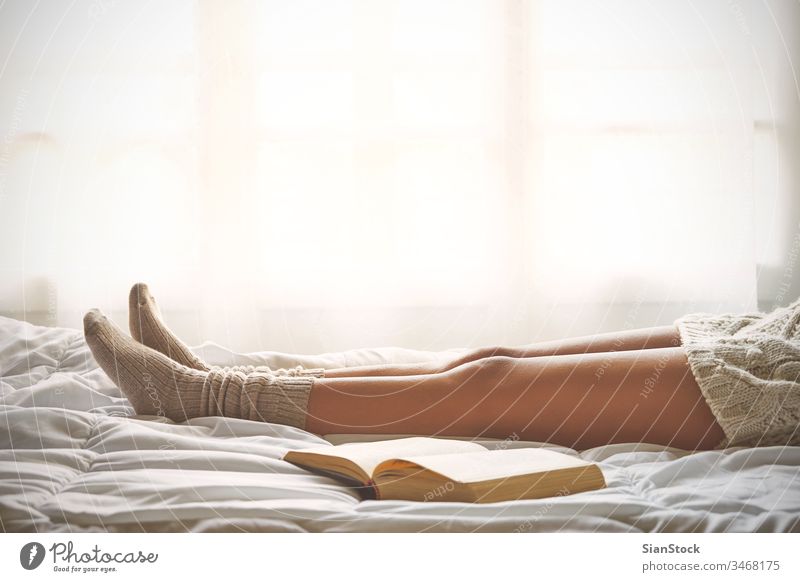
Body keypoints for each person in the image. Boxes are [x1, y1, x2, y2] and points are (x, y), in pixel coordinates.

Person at [83, 284, 800, 451]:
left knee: (483, 389)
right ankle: (215, 382)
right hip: (773, 338)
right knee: (489, 359)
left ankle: (205, 395)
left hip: (779, 383)